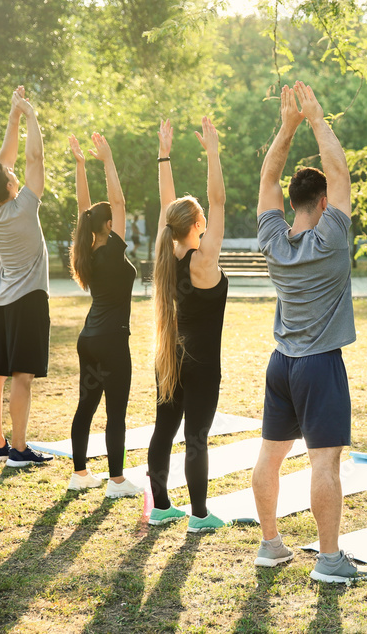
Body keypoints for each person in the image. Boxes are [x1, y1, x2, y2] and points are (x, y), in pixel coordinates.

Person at [250, 82, 367, 583]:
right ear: (322, 202)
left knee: (270, 456)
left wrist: (287, 127)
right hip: (320, 365)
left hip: (282, 363)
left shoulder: (272, 238)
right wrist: (317, 118)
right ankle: (328, 559)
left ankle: (270, 544)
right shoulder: (332, 237)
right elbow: (340, 171)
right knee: (325, 462)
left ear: (290, 203)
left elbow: (268, 176)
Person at [146, 117, 229, 532]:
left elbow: (169, 209)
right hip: (202, 365)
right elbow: (219, 200)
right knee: (196, 435)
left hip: (170, 356)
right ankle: (198, 515)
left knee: (165, 430)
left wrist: (165, 154)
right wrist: (213, 153)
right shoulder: (204, 260)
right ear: (197, 226)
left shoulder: (168, 255)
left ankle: (160, 506)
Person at [0, 86, 54, 468]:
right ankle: (18, 450)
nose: (13, 170)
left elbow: (2, 162)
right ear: (9, 185)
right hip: (28, 300)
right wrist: (32, 117)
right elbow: (34, 156)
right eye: (10, 174)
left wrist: (13, 115)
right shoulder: (24, 206)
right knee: (22, 375)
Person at [65, 132, 143, 498]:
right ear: (107, 225)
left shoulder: (86, 249)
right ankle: (115, 482)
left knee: (87, 405)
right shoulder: (112, 249)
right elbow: (118, 200)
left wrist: (81, 165)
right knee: (115, 412)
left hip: (90, 340)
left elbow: (85, 208)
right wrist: (107, 160)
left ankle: (80, 474)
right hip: (112, 341)